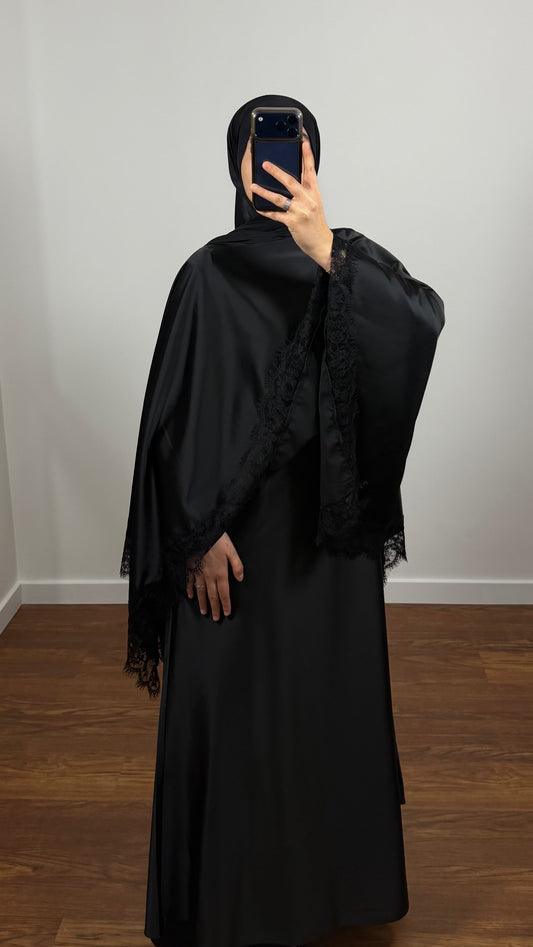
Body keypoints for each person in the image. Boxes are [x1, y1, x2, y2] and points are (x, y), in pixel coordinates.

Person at [120, 93, 445, 947]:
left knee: (320, 714)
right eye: (257, 142)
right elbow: (169, 425)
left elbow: (419, 324)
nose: (272, 156)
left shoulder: (348, 257)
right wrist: (196, 533)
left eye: (290, 139)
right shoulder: (206, 274)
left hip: (325, 542)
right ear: (236, 161)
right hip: (228, 546)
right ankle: (230, 900)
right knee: (234, 721)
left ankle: (329, 892)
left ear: (312, 157)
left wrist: (326, 250)